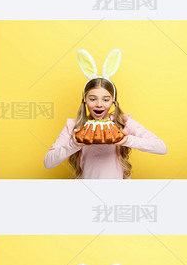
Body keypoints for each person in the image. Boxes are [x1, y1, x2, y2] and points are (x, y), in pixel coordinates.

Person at [43, 49, 167, 179]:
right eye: (92, 99)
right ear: (85, 100)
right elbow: (48, 162)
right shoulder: (74, 126)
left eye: (105, 99)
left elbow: (161, 148)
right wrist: (73, 144)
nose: (99, 104)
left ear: (113, 101)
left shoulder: (123, 123)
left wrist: (127, 140)